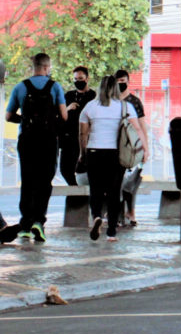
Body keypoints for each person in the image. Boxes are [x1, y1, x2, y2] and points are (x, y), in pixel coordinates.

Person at [5, 53, 68, 242]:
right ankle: (39, 222)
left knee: (28, 180)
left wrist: (24, 119)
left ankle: (25, 224)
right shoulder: (55, 86)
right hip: (48, 140)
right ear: (47, 67)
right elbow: (64, 116)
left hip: (27, 140)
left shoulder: (20, 87)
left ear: (33, 66)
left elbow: (8, 116)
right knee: (44, 181)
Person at [79, 75, 148, 241]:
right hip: (116, 154)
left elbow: (83, 133)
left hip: (94, 152)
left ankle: (96, 216)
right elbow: (137, 130)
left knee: (95, 189)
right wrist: (144, 150)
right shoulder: (125, 107)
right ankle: (111, 231)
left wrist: (83, 152)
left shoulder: (90, 107)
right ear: (116, 89)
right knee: (114, 191)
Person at [115, 69, 146, 226]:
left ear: (128, 81)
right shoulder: (112, 101)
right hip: (116, 148)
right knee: (118, 182)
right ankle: (120, 215)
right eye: (118, 81)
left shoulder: (135, 101)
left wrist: (145, 149)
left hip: (132, 147)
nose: (120, 84)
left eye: (123, 81)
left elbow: (142, 126)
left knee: (132, 183)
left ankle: (131, 211)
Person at [61, 66, 96, 185]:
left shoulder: (93, 96)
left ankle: (81, 196)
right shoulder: (69, 95)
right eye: (75, 79)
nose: (78, 82)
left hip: (86, 139)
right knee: (65, 169)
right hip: (69, 138)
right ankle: (75, 193)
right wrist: (68, 108)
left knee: (84, 169)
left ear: (87, 78)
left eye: (80, 78)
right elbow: (60, 114)